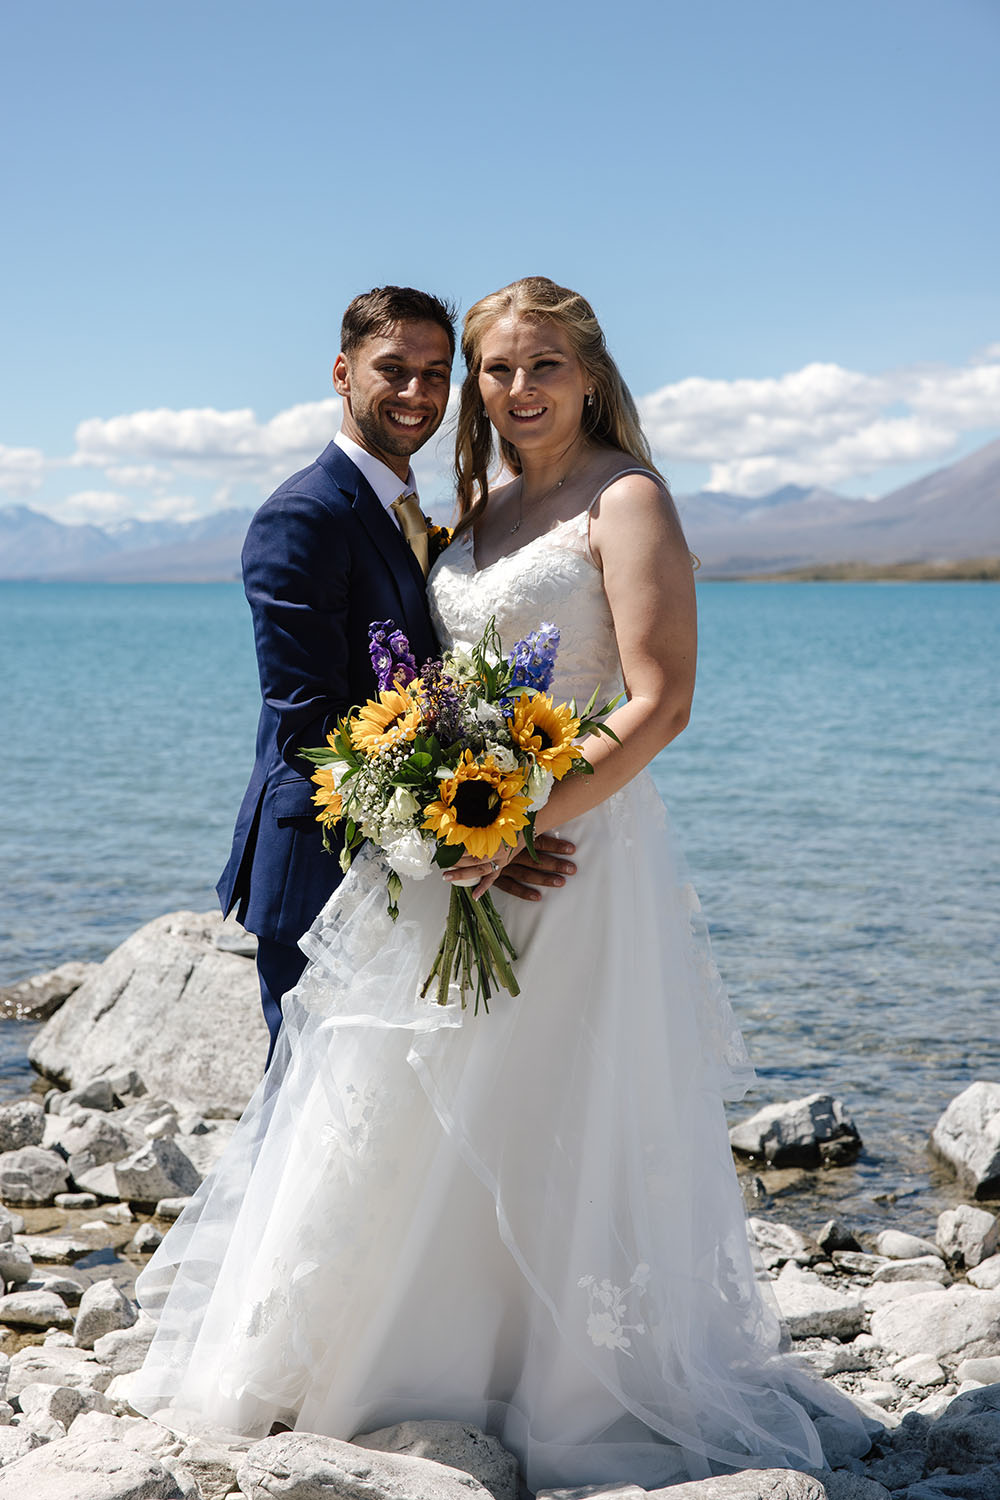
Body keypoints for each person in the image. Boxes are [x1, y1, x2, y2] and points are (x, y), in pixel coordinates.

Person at [134, 278, 871, 1490]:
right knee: (419, 1101)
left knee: (554, 1102)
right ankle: (403, 1365)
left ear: (589, 371)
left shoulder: (625, 499)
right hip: (458, 855)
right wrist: (452, 824)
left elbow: (661, 698)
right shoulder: (474, 506)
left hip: (568, 857)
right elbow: (384, 697)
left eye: (541, 366)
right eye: (495, 369)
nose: (513, 390)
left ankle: (560, 1376)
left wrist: (517, 815)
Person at [217, 285, 577, 1062]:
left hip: (401, 866)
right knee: (308, 1121)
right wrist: (469, 823)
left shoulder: (408, 510)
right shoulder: (305, 516)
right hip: (323, 865)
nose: (418, 393)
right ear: (343, 373)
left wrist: (492, 817)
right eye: (394, 369)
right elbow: (309, 722)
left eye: (437, 373)